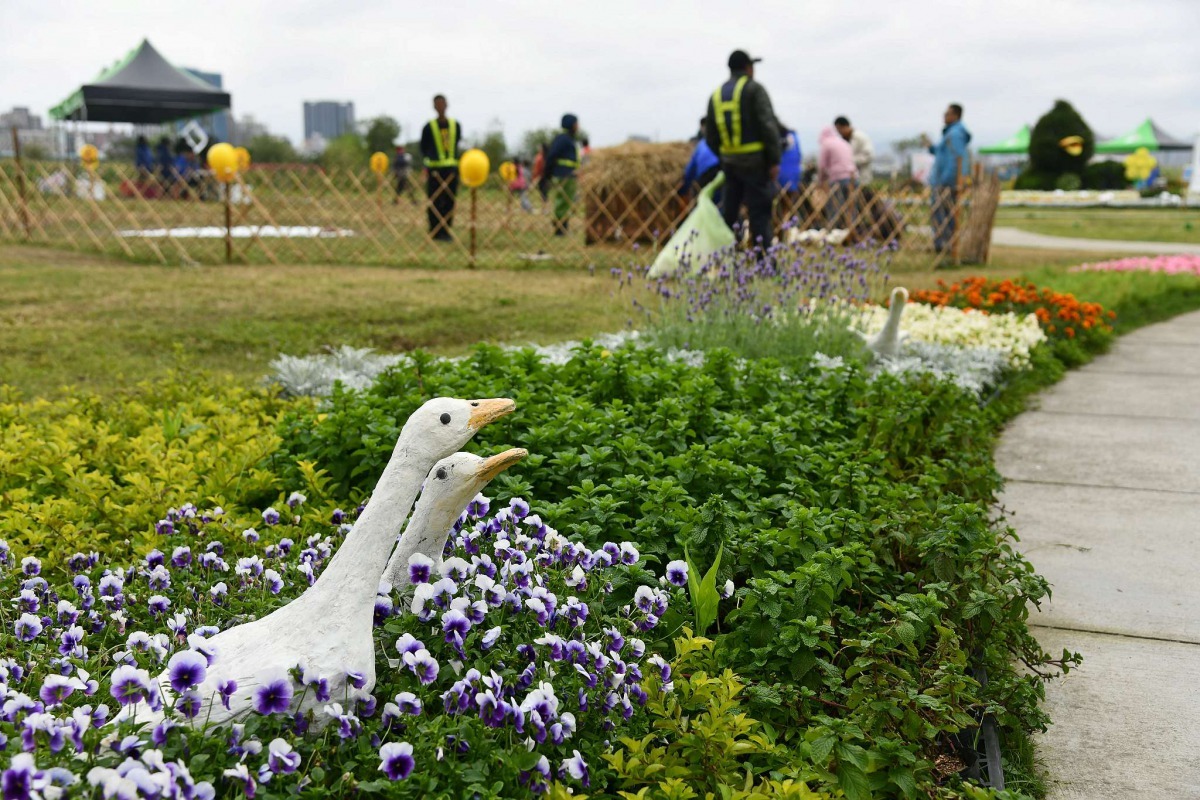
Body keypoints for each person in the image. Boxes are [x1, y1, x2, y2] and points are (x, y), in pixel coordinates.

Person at [705, 49, 781, 251]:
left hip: (730, 164)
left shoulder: (716, 95)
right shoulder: (753, 90)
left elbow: (710, 136)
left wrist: (724, 156)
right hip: (756, 163)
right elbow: (768, 125)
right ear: (748, 68)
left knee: (729, 214)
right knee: (760, 214)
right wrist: (774, 160)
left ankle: (722, 260)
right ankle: (764, 263)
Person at [923, 103, 971, 253]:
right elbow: (940, 152)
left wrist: (945, 180)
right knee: (944, 214)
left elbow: (956, 159)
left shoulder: (955, 134)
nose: (944, 116)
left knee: (944, 215)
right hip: (944, 180)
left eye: (947, 113)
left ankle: (943, 245)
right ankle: (943, 245)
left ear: (955, 115)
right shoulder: (949, 134)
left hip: (946, 182)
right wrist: (931, 147)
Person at [420, 95, 461, 241]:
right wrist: (426, 166)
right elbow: (423, 148)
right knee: (434, 200)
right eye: (437, 104)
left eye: (442, 104)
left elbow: (456, 144)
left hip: (451, 170)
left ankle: (445, 230)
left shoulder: (455, 125)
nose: (440, 107)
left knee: (450, 200)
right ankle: (435, 230)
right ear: (434, 106)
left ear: (447, 105)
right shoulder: (428, 127)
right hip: (434, 170)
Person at [545, 114, 582, 235]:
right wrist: (548, 174)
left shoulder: (569, 139)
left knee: (567, 201)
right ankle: (560, 229)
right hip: (563, 174)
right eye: (576, 123)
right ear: (571, 124)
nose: (578, 126)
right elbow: (552, 155)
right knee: (563, 201)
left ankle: (562, 227)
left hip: (569, 174)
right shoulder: (563, 139)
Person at [817, 126, 857, 228]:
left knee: (834, 207)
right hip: (853, 177)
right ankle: (851, 230)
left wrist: (821, 182)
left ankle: (834, 230)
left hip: (838, 178)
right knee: (851, 207)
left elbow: (822, 166)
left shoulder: (826, 144)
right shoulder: (844, 143)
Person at [679, 117, 720, 198]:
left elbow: (690, 171)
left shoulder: (701, 145)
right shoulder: (719, 141)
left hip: (706, 173)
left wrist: (683, 190)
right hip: (721, 171)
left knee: (701, 197)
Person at [834, 117, 874, 184]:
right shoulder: (842, 140)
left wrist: (850, 161)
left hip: (862, 175)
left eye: (840, 129)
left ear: (845, 126)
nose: (839, 132)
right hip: (847, 178)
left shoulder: (860, 137)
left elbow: (869, 156)